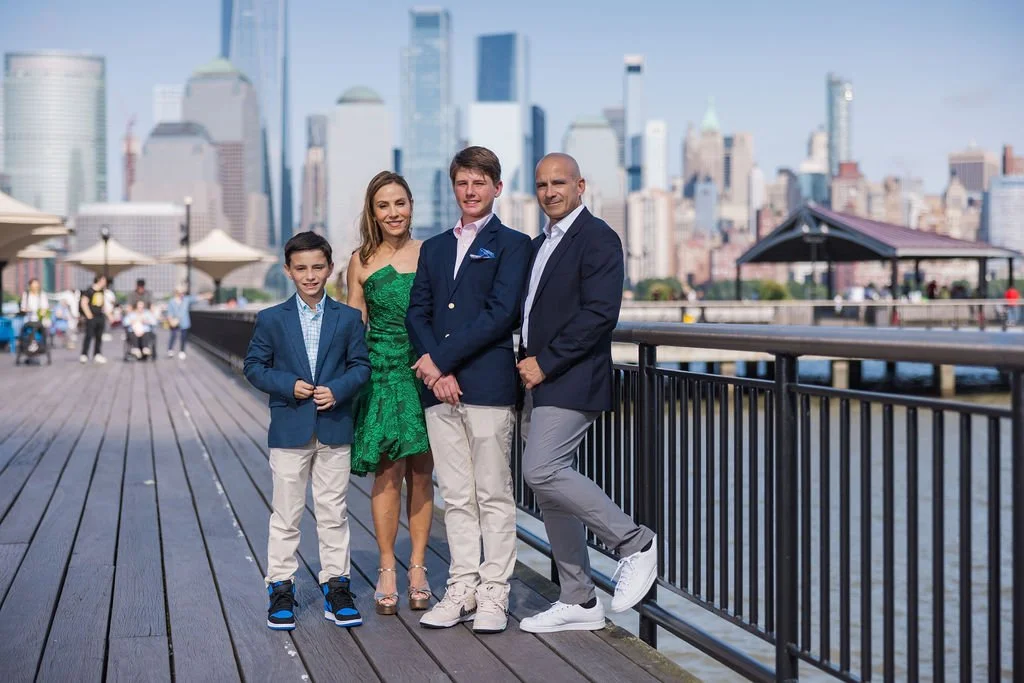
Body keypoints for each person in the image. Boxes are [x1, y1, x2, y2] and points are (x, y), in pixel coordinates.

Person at [517, 153, 657, 634]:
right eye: (541, 185)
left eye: (559, 182)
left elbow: (600, 313)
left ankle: (634, 541)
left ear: (581, 185)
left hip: (571, 378)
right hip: (537, 379)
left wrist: (545, 362)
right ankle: (578, 599)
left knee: (542, 469)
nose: (550, 191)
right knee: (549, 491)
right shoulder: (540, 245)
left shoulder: (598, 238)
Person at [405, 146, 531, 634]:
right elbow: (418, 311)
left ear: (497, 188)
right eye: (463, 182)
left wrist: (441, 359)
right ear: (453, 188)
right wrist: (436, 370)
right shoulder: (434, 248)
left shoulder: (514, 244)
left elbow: (501, 314)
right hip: (439, 388)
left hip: (487, 385)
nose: (471, 191)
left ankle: (494, 593)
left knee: (493, 494)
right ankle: (462, 586)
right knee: (455, 495)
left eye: (481, 182)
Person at [243, 231, 371, 631]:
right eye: (301, 268)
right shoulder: (270, 319)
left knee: (333, 513)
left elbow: (361, 367)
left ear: (329, 268)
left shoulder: (349, 318)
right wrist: (286, 384)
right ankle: (280, 587)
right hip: (289, 429)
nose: (310, 275)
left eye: (318, 267)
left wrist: (339, 390)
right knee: (286, 513)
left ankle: (337, 586)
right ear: (288, 271)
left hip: (334, 427)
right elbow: (254, 367)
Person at [346, 171, 434, 616]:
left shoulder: (432, 253)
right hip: (380, 374)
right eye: (384, 206)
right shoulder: (360, 260)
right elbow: (351, 327)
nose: (393, 212)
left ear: (411, 205)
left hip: (424, 372)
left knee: (422, 472)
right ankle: (386, 568)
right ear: (373, 212)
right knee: (387, 472)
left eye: (400, 203)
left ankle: (418, 567)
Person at [164, 285, 204, 359]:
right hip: (174, 321)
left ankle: (182, 351)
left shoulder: (186, 299)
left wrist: (205, 296)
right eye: (180, 292)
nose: (182, 294)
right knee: (173, 335)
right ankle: (170, 350)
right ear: (176, 293)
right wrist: (171, 320)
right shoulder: (172, 301)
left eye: (183, 292)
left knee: (183, 337)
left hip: (184, 321)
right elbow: (169, 312)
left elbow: (195, 298)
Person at [80, 274, 108, 364]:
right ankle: (84, 354)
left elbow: (103, 304)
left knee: (99, 336)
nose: (105, 282)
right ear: (99, 280)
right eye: (104, 280)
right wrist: (89, 315)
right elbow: (83, 302)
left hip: (100, 316)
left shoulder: (102, 291)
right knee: (89, 335)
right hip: (92, 317)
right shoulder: (90, 290)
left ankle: (97, 353)